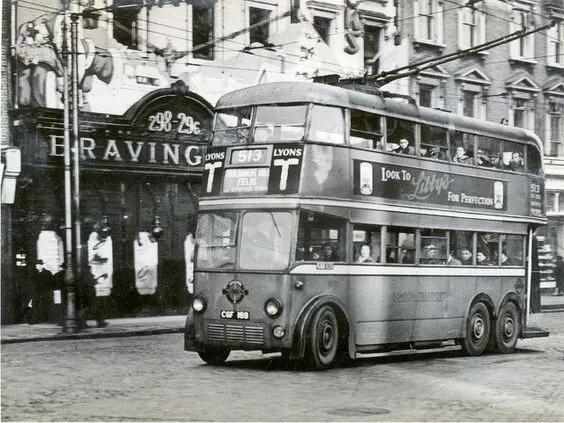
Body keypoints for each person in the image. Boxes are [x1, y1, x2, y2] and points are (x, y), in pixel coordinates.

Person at [28, 259, 54, 324]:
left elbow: (52, 283)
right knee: (35, 305)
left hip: (45, 292)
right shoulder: (35, 273)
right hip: (37, 292)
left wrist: (48, 291)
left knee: (45, 306)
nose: (36, 267)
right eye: (36, 266)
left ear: (42, 266)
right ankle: (35, 320)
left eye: (38, 265)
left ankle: (47, 319)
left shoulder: (48, 273)